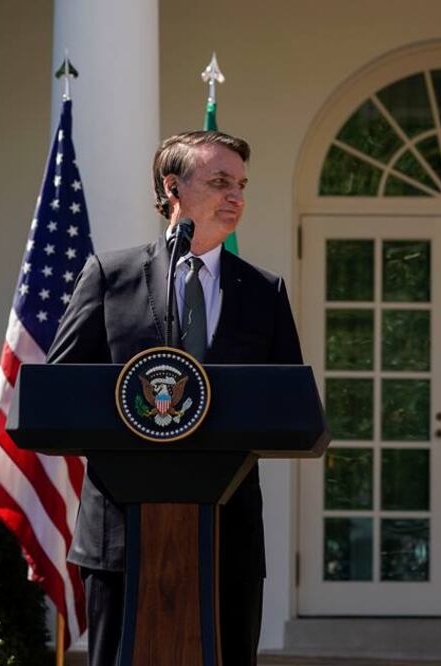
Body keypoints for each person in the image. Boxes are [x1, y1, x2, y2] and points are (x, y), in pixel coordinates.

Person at [47, 131, 303, 666]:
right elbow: (60, 388)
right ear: (173, 187)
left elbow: (290, 403)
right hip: (121, 532)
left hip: (226, 530)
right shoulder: (110, 277)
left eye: (241, 185)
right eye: (219, 182)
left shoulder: (264, 292)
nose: (236, 196)